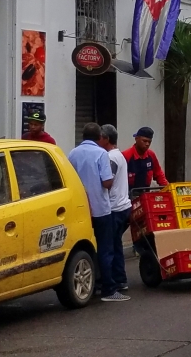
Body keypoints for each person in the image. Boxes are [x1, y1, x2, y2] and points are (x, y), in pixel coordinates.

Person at [67, 123, 129, 302]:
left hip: (80, 208)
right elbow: (107, 182)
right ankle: (109, 289)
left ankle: (90, 284)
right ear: (98, 137)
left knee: (84, 246)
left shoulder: (73, 153)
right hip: (101, 209)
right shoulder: (102, 154)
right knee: (106, 249)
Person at [100, 124, 131, 294]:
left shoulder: (110, 158)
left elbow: (107, 181)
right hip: (123, 206)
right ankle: (121, 279)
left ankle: (111, 282)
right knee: (116, 244)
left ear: (106, 139)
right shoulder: (119, 155)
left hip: (114, 208)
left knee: (109, 247)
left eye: (100, 137)